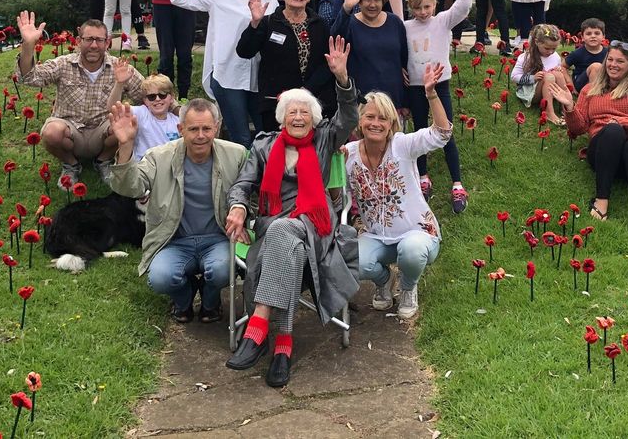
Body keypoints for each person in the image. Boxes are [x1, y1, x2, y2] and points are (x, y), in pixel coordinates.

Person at [223, 37, 360, 388]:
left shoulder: (325, 138)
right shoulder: (264, 144)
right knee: (287, 241)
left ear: (313, 118)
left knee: (286, 233)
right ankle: (282, 347)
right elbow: (244, 183)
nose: (298, 117)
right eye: (292, 112)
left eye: (305, 112)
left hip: (317, 224)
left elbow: (348, 115)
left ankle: (257, 329)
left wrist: (342, 79)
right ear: (283, 117)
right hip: (275, 226)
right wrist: (238, 205)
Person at [107, 98, 247, 323]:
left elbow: (249, 192)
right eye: (193, 129)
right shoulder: (158, 156)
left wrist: (242, 212)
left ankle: (211, 303)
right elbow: (131, 187)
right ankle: (184, 299)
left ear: (217, 128)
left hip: (218, 239)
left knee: (223, 271)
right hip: (174, 240)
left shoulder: (237, 154)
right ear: (180, 129)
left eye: (206, 128)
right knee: (160, 279)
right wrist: (126, 145)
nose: (200, 135)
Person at [344, 62, 451, 319]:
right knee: (354, 261)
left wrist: (432, 95)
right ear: (360, 120)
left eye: (383, 118)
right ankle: (384, 280)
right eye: (370, 116)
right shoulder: (347, 155)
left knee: (412, 252)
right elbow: (340, 198)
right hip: (376, 235)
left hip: (416, 233)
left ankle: (407, 286)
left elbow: (442, 133)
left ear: (392, 123)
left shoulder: (402, 145)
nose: (376, 123)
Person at [547, 41, 628, 240]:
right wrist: (569, 107)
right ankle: (602, 200)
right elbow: (579, 128)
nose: (613, 64)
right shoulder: (590, 90)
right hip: (604, 152)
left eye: (620, 61)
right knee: (612, 131)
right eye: (610, 59)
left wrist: (623, 121)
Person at [171, 0, 278, 148]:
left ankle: (264, 179)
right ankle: (244, 180)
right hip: (228, 76)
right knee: (241, 139)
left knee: (266, 137)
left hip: (259, 77)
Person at [14, 12, 144, 183]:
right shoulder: (63, 64)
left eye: (99, 40)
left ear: (107, 43)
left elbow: (147, 95)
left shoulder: (119, 67)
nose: (94, 45)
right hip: (71, 131)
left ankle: (103, 161)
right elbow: (29, 77)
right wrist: (28, 45)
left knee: (131, 123)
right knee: (51, 133)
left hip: (104, 133)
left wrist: (175, 109)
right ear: (78, 41)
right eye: (88, 39)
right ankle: (71, 164)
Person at [404, 0, 473, 212]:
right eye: (417, 8)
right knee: (421, 131)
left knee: (446, 133)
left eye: (427, 6)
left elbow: (463, 7)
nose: (423, 12)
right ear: (410, 8)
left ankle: (457, 183)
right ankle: (423, 177)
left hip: (440, 86)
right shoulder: (405, 27)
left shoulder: (442, 21)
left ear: (434, 4)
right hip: (415, 87)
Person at [236, 0, 335, 131]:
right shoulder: (268, 23)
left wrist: (305, 91)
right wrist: (254, 24)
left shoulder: (321, 25)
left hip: (315, 105)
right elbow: (244, 52)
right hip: (276, 106)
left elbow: (327, 64)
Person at [330, 0, 409, 112]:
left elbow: (405, 64)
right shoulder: (350, 23)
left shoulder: (395, 22)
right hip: (361, 102)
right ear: (359, 0)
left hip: (393, 102)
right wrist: (346, 8)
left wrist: (406, 102)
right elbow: (335, 37)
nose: (372, 4)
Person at [106, 62, 181, 161]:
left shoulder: (177, 121)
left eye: (162, 95)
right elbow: (114, 107)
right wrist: (119, 84)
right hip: (144, 166)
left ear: (172, 98)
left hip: (168, 167)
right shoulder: (141, 113)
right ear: (145, 100)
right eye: (151, 97)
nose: (158, 99)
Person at [512, 23, 569, 115]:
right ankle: (549, 113)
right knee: (549, 76)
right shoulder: (526, 57)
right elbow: (514, 77)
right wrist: (533, 77)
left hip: (550, 91)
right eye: (547, 48)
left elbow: (558, 72)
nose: (550, 52)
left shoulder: (555, 56)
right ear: (537, 42)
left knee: (558, 74)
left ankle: (566, 107)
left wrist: (558, 70)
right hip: (530, 92)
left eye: (554, 49)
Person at [563, 18, 608, 93]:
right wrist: (570, 83)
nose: (593, 36)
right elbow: (562, 66)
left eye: (597, 33)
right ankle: (593, 97)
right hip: (582, 83)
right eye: (588, 34)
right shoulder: (577, 53)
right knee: (596, 67)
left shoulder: (608, 52)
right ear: (582, 37)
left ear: (603, 36)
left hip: (602, 81)